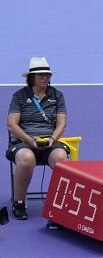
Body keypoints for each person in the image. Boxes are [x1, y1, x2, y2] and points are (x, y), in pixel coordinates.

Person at [6, 57, 69, 220]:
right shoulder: (19, 96)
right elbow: (12, 125)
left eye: (47, 75)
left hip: (50, 141)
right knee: (26, 159)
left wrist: (53, 139)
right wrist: (29, 140)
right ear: (32, 77)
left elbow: (61, 124)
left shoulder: (57, 95)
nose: (45, 77)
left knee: (61, 159)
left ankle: (61, 204)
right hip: (23, 142)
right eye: (41, 75)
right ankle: (19, 203)